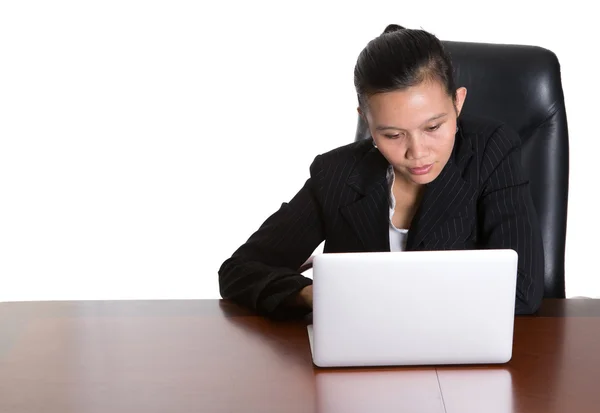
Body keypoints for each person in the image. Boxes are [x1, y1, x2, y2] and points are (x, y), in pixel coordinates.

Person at [218, 24, 545, 320]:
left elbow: (522, 289)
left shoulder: (490, 151)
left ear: (458, 103)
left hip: (461, 355)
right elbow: (239, 270)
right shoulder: (335, 174)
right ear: (366, 120)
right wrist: (312, 294)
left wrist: (371, 299)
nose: (417, 152)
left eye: (433, 126)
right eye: (392, 135)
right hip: (360, 362)